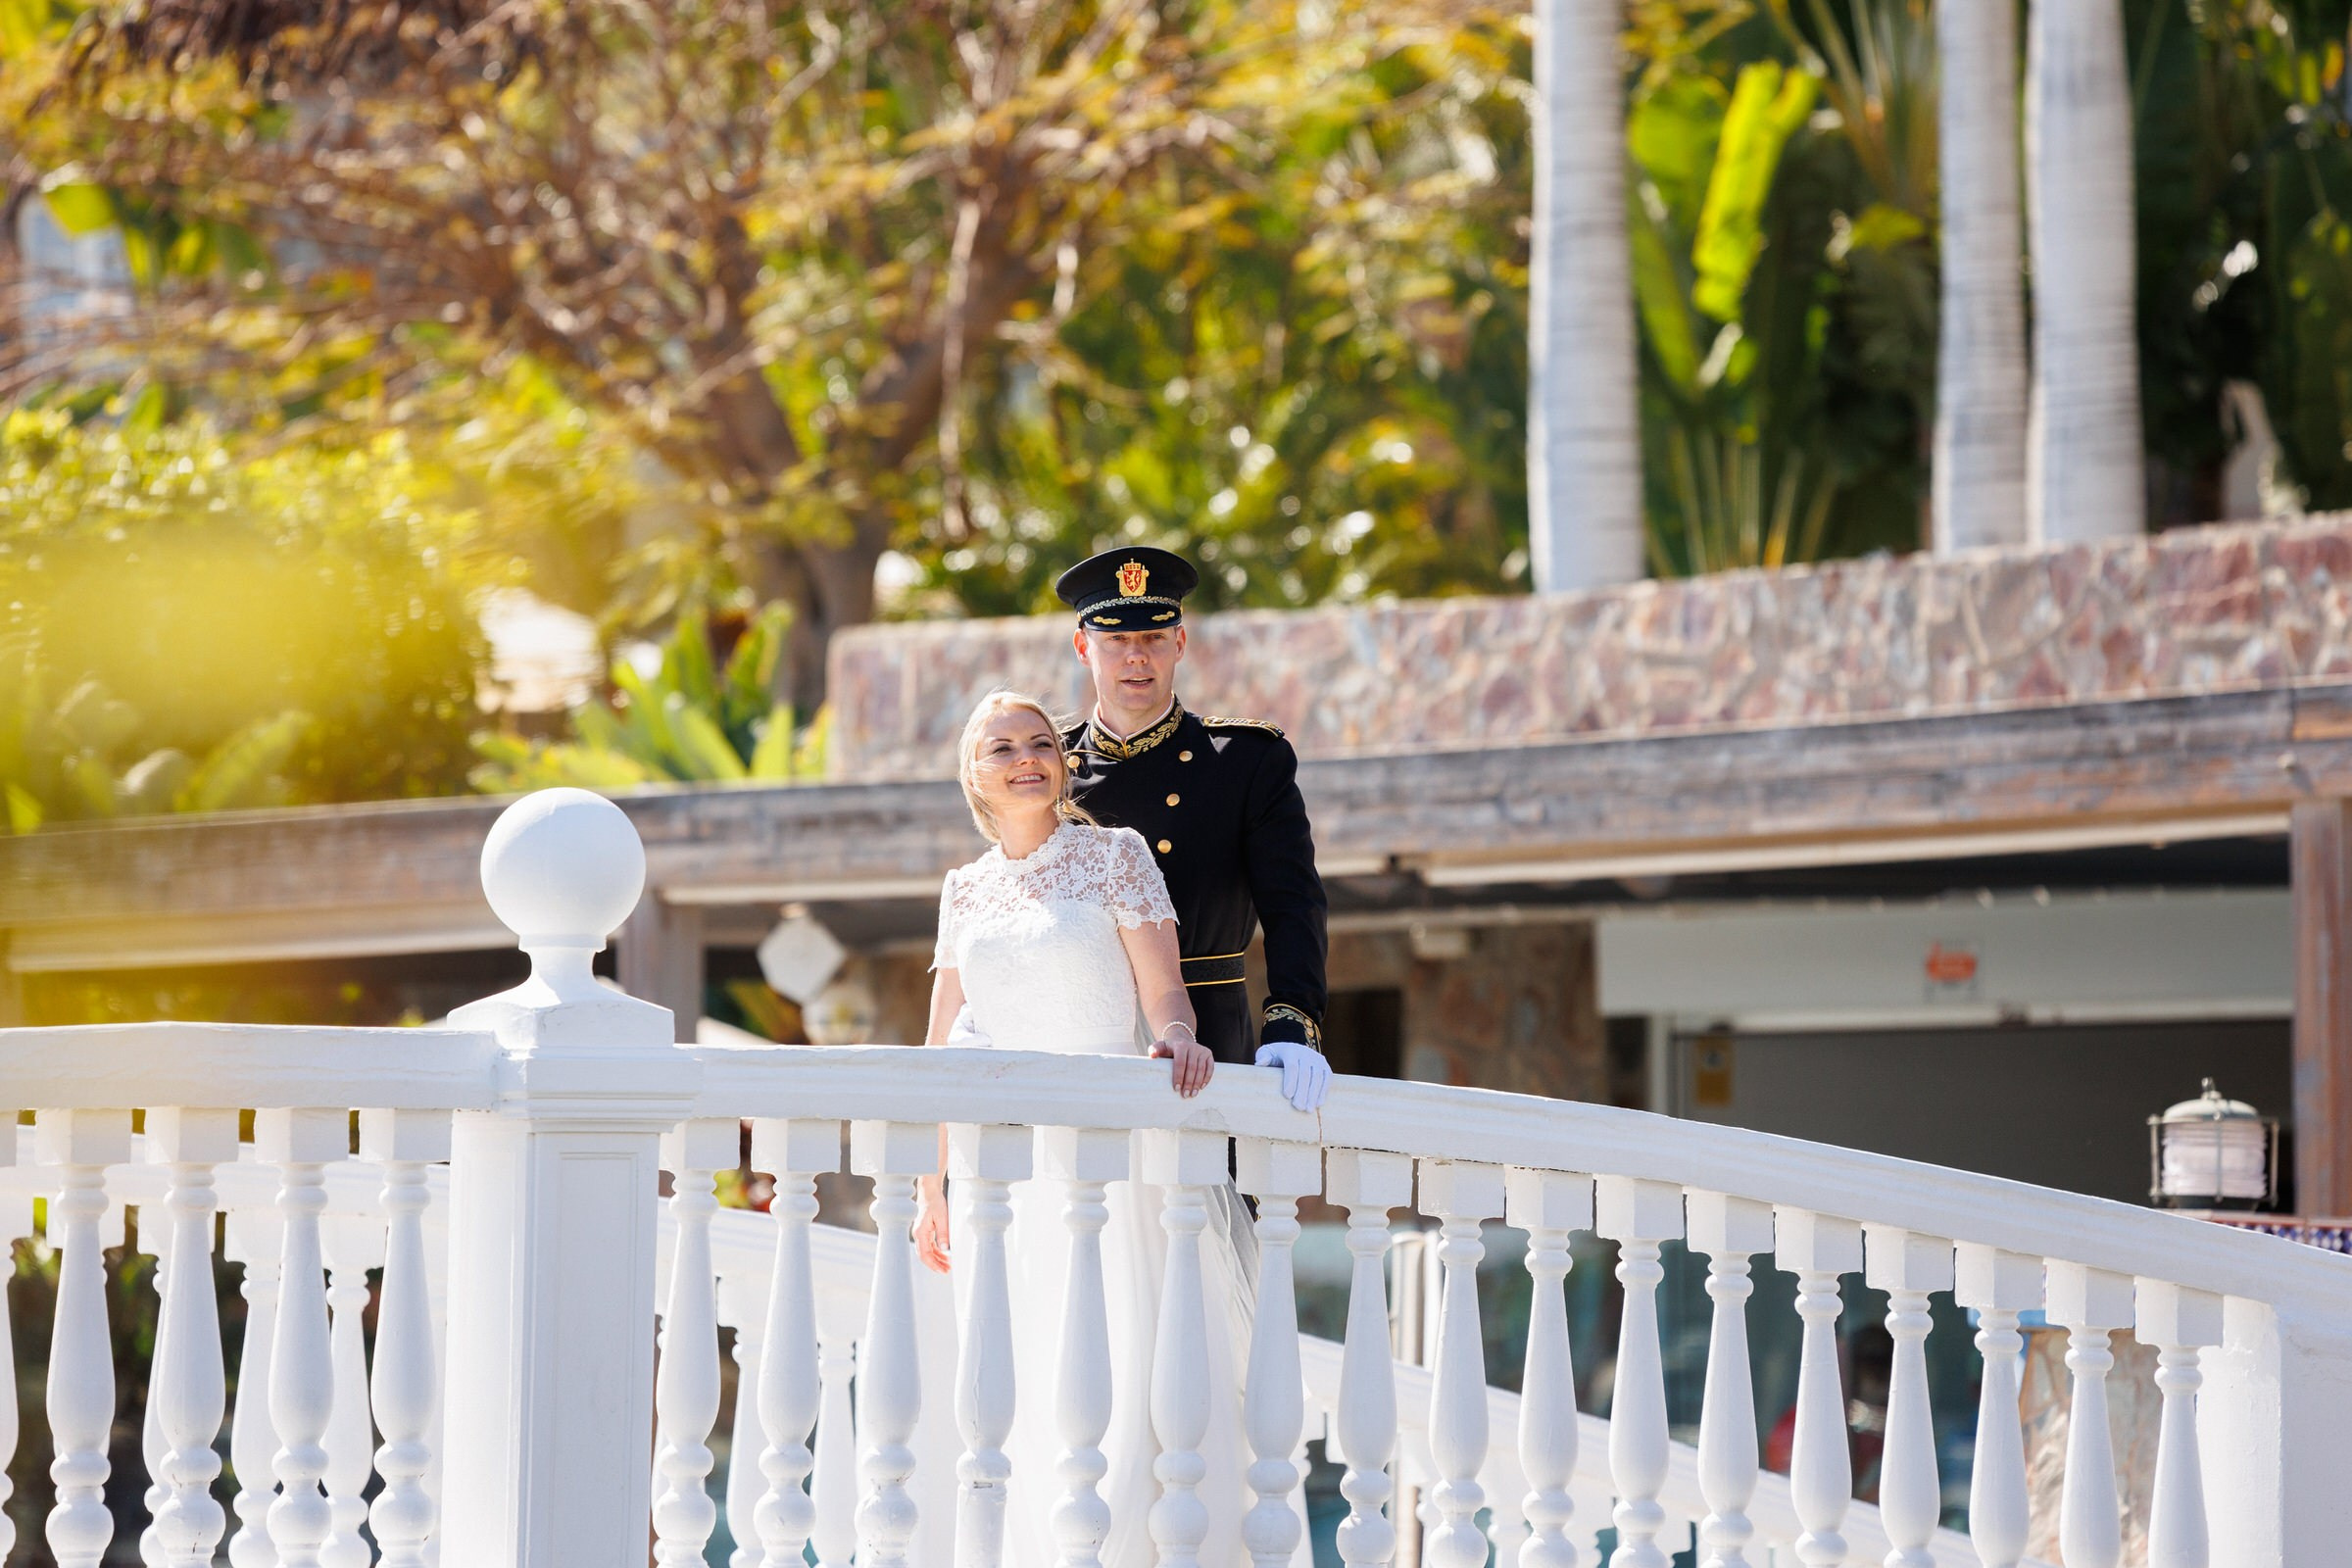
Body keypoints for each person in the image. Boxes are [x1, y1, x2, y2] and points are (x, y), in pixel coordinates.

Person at [912, 689, 1257, 1565]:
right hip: (1009, 1170)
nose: (1026, 758)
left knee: (1128, 1360)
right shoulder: (963, 890)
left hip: (1115, 1149)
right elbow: (939, 1043)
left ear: (1061, 763)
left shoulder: (1114, 856)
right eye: (1002, 747)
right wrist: (929, 1185)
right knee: (1026, 1370)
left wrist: (1178, 1036)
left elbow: (1165, 989)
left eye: (1040, 742)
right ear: (974, 774)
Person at [1054, 545, 1333, 1104]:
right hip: (1081, 1037)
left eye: (1154, 638)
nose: (1137, 658)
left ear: (1179, 643)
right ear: (1084, 648)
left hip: (1209, 1039)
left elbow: (1293, 905)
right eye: (1117, 642)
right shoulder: (1050, 770)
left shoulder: (1244, 760)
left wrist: (1292, 1022)